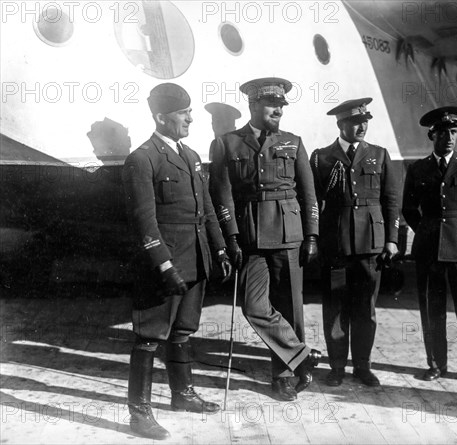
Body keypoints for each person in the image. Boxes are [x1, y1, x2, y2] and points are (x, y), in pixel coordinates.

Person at [122, 83, 232, 440]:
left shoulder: (191, 155)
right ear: (160, 117)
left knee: (183, 330)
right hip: (165, 264)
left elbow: (209, 209)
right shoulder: (142, 159)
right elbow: (144, 220)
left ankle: (182, 395)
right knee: (149, 336)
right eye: (183, 113)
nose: (190, 117)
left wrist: (219, 250)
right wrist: (163, 265)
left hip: (197, 258)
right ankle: (139, 414)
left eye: (189, 111)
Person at [208, 77, 321, 402]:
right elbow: (224, 195)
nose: (279, 110)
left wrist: (311, 233)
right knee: (254, 307)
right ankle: (301, 357)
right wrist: (231, 237)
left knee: (290, 308)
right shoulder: (227, 143)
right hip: (251, 237)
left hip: (289, 235)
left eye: (282, 105)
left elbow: (309, 193)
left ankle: (284, 377)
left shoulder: (293, 141)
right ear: (253, 105)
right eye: (272, 104)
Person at [310, 98, 400, 387]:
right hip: (335, 245)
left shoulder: (379, 154)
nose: (361, 126)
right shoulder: (321, 157)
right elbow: (313, 201)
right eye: (354, 122)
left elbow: (391, 201)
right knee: (335, 309)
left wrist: (392, 240)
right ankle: (337, 367)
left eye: (365, 121)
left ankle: (363, 366)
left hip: (370, 246)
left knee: (365, 310)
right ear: (340, 125)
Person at [402, 106, 457, 386]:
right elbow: (408, 208)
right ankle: (435, 365)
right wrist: (428, 230)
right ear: (433, 136)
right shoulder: (418, 168)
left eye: (453, 132)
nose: (450, 138)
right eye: (443, 133)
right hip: (430, 249)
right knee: (432, 310)